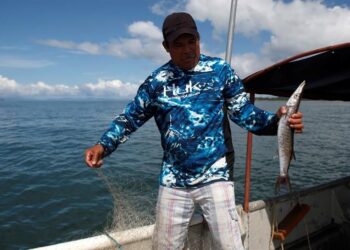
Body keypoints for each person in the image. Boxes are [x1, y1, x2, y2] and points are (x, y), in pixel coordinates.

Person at [85, 12, 304, 250]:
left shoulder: (220, 71)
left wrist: (278, 122)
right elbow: (130, 117)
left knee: (230, 245)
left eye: (192, 41)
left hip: (216, 173)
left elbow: (245, 113)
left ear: (199, 39)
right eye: (178, 45)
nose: (188, 49)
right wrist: (103, 145)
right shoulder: (157, 81)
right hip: (173, 178)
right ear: (166, 47)